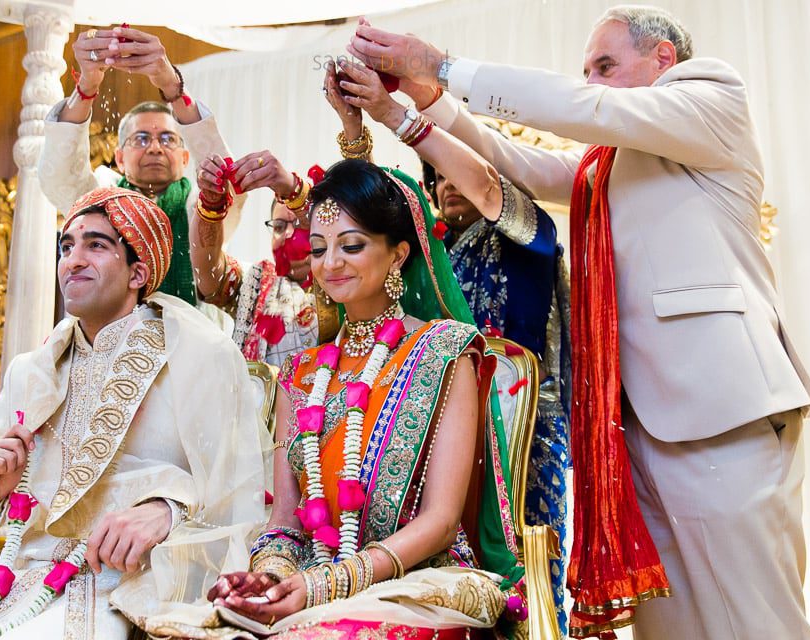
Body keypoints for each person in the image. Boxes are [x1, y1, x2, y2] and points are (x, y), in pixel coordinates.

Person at [347, 6, 810, 639]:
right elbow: (507, 166)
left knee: (754, 614)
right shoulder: (610, 166)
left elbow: (589, 110)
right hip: (636, 424)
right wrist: (411, 111)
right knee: (671, 624)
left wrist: (443, 66)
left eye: (606, 65)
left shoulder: (712, 96)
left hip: (722, 409)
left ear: (664, 60)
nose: (593, 83)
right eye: (586, 71)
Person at [110, 160, 527, 639]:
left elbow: (440, 520)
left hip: (417, 582)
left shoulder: (445, 351)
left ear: (398, 254)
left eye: (352, 246)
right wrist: (268, 577)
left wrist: (326, 585)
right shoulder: (302, 372)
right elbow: (285, 521)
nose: (330, 264)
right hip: (312, 579)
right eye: (318, 248)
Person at [0, 187, 266, 639]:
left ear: (138, 272)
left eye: (96, 245)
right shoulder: (31, 371)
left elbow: (242, 501)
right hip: (14, 584)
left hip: (127, 587)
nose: (73, 260)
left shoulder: (199, 355)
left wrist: (169, 511)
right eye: (66, 246)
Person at [329, 59, 572, 634]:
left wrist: (393, 113)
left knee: (527, 583)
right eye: (435, 177)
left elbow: (488, 188)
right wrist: (353, 130)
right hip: (430, 419)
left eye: (451, 172)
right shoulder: (427, 256)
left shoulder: (529, 233)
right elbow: (366, 225)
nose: (445, 185)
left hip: (522, 427)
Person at [38, 25, 243, 307]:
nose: (155, 147)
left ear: (185, 159)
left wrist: (172, 85)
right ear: (120, 158)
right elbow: (59, 175)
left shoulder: (199, 206)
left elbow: (226, 181)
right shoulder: (101, 202)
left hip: (189, 340)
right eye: (142, 138)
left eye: (168, 138)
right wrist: (86, 86)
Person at [191, 151, 339, 366]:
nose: (288, 235)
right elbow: (208, 274)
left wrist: (293, 190)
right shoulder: (257, 283)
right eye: (279, 227)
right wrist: (211, 204)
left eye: (299, 225)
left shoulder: (346, 282)